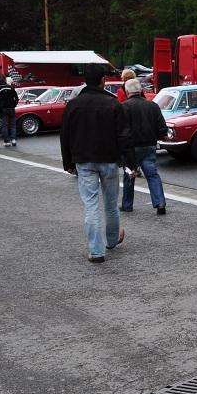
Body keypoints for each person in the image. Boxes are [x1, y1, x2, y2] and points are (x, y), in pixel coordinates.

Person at [61, 63, 133, 263]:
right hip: (109, 159)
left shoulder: (73, 105)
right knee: (110, 204)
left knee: (90, 205)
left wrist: (68, 162)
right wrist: (129, 162)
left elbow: (65, 136)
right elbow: (124, 136)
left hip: (83, 160)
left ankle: (96, 250)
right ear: (103, 80)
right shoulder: (113, 104)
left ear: (85, 80)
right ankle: (111, 240)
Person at [120, 79, 168, 215]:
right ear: (141, 90)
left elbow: (122, 131)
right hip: (149, 145)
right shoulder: (152, 106)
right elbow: (162, 129)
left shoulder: (124, 107)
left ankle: (127, 204)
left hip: (132, 148)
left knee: (129, 174)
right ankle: (160, 203)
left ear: (127, 91)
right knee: (152, 175)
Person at [0, 76, 18, 147]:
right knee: (13, 125)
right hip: (11, 109)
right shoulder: (11, 88)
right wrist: (14, 105)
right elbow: (16, 98)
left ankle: (7, 141)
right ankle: (13, 140)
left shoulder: (0, 89)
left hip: (3, 110)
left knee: (5, 126)